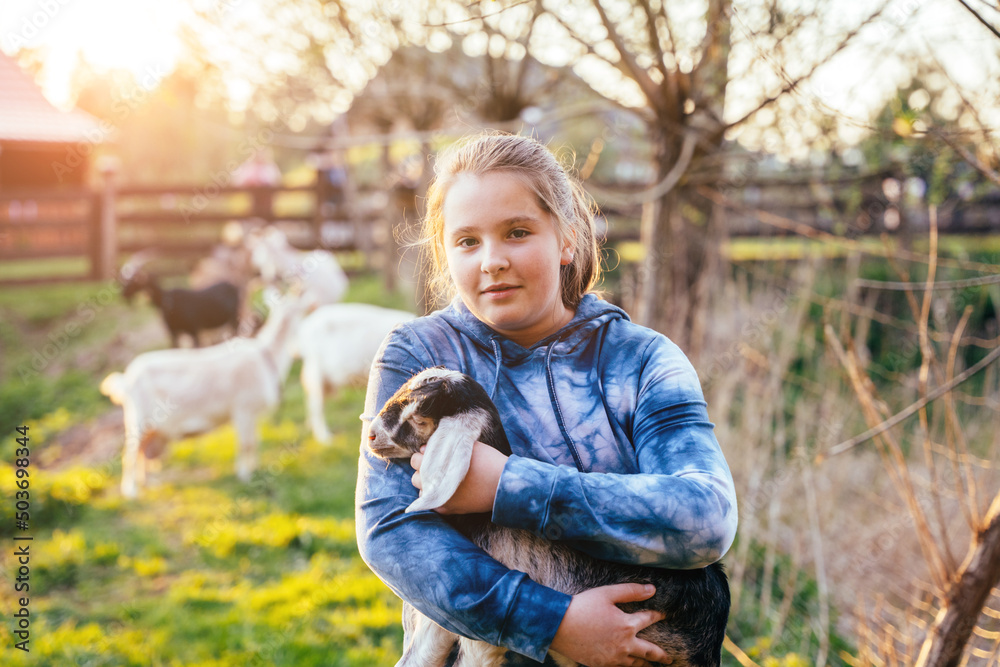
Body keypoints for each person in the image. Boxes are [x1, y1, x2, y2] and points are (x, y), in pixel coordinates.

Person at [356, 131, 737, 666]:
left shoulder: (643, 360)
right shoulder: (418, 353)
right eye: (467, 241)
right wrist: (552, 624)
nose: (492, 260)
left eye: (517, 232)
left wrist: (506, 487)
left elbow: (707, 520)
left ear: (566, 239)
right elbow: (390, 530)